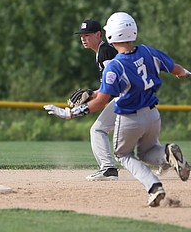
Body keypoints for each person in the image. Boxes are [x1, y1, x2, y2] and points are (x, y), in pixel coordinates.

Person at [44, 12, 190, 207]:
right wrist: (186, 73)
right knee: (147, 152)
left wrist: (70, 113)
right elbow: (178, 70)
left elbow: (103, 99)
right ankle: (166, 155)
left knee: (122, 154)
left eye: (87, 35)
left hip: (129, 114)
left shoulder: (114, 63)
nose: (83, 38)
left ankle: (150, 185)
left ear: (108, 35)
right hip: (153, 114)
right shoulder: (148, 51)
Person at [72, 19, 118, 181]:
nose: (83, 38)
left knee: (98, 130)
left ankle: (108, 168)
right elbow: (109, 85)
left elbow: (115, 81)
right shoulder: (103, 51)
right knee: (133, 145)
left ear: (99, 34)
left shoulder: (105, 51)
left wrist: (92, 97)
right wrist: (92, 94)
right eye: (82, 36)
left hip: (124, 98)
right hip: (133, 97)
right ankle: (165, 159)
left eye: (87, 35)